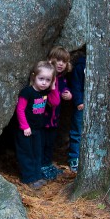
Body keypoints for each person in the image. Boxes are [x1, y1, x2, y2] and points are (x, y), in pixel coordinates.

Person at [14, 61, 60, 189]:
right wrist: (25, 126)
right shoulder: (27, 92)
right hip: (25, 130)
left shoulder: (45, 92)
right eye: (41, 79)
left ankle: (36, 175)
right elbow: (20, 109)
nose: (44, 82)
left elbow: (55, 102)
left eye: (48, 80)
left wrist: (53, 87)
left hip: (38, 129)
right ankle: (29, 177)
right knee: (27, 153)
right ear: (34, 76)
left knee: (37, 152)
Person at [41, 46, 72, 180]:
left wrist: (68, 94)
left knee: (50, 143)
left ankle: (47, 164)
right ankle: (41, 166)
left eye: (64, 61)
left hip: (54, 120)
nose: (60, 64)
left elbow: (64, 89)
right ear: (50, 60)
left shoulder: (62, 79)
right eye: (58, 60)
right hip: (42, 119)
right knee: (41, 143)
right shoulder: (46, 78)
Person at [67, 51, 85, 173]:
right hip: (81, 105)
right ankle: (74, 157)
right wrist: (78, 101)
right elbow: (75, 85)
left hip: (94, 105)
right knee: (77, 131)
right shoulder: (80, 66)